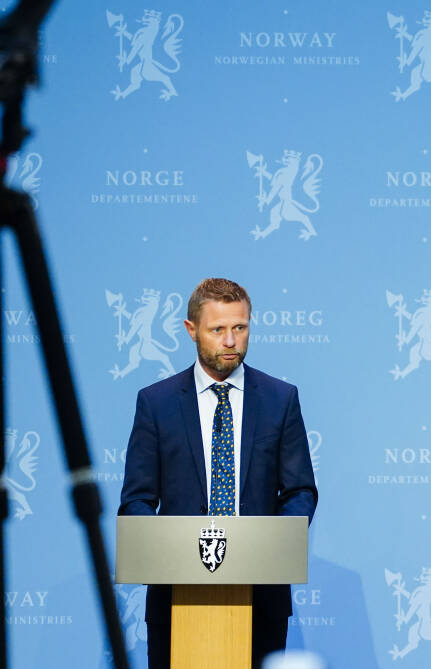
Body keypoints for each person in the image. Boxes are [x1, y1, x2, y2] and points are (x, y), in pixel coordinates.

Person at [119, 278, 318, 669]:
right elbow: (137, 499)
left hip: (262, 601)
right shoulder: (156, 404)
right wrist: (176, 550)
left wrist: (266, 546)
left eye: (240, 328)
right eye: (218, 329)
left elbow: (300, 491)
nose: (231, 341)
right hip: (174, 601)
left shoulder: (281, 399)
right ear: (191, 330)